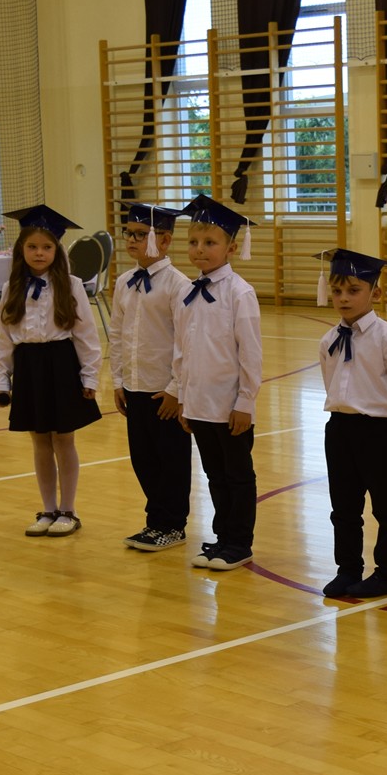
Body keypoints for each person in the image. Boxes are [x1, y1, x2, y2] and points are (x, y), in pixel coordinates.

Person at [0, 204, 102, 538]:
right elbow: (5, 339)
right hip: (29, 367)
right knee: (39, 441)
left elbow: (86, 336)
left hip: (61, 364)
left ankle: (68, 510)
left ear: (57, 250)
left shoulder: (71, 285)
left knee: (63, 440)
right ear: (21, 250)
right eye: (32, 247)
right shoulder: (12, 288)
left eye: (47, 247)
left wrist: (90, 376)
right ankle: (48, 509)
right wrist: (2, 380)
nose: (39, 253)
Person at [315, 248, 387, 599]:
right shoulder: (328, 340)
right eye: (337, 290)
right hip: (339, 430)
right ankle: (348, 569)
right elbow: (331, 385)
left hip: (379, 432)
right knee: (344, 507)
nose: (343, 298)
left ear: (376, 293)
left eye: (353, 290)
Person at [169, 194, 262, 571]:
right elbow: (182, 349)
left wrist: (246, 402)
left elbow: (250, 353)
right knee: (214, 475)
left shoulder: (240, 293)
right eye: (193, 242)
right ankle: (223, 538)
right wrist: (183, 398)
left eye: (210, 242)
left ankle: (240, 542)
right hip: (199, 404)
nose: (200, 249)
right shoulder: (186, 293)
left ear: (231, 248)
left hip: (229, 406)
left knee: (237, 475)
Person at [109, 202, 193, 552]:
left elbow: (185, 342)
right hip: (135, 386)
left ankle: (172, 524)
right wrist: (118, 381)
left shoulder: (178, 285)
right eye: (129, 233)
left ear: (166, 240)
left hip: (164, 390)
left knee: (171, 459)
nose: (132, 240)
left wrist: (176, 389)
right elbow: (117, 334)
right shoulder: (124, 282)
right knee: (143, 458)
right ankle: (155, 521)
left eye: (141, 234)